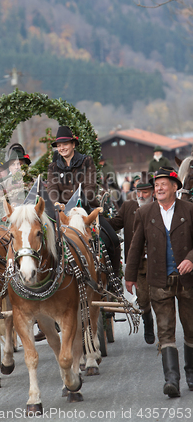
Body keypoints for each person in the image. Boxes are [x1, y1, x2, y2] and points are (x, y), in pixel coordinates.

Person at [125, 167, 193, 398]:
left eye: (164, 184)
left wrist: (191, 259)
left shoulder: (190, 210)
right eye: (156, 185)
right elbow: (135, 246)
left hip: (187, 281)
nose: (159, 188)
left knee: (191, 328)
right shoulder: (145, 213)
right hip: (159, 280)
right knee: (165, 331)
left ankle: (191, 374)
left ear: (175, 187)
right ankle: (171, 380)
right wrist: (130, 275)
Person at [47, 126, 121, 276]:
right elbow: (52, 189)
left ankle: (114, 280)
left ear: (73, 144)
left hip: (86, 209)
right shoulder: (53, 167)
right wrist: (56, 203)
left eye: (65, 144)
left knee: (113, 240)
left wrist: (79, 202)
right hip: (62, 213)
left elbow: (89, 185)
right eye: (59, 145)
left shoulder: (86, 161)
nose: (62, 148)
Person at [107, 172, 155, 344]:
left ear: (154, 192)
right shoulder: (128, 206)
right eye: (139, 192)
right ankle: (148, 320)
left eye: (146, 192)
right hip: (139, 262)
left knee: (161, 297)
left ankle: (166, 334)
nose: (141, 195)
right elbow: (115, 223)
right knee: (143, 299)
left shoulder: (160, 206)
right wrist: (97, 219)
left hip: (158, 261)